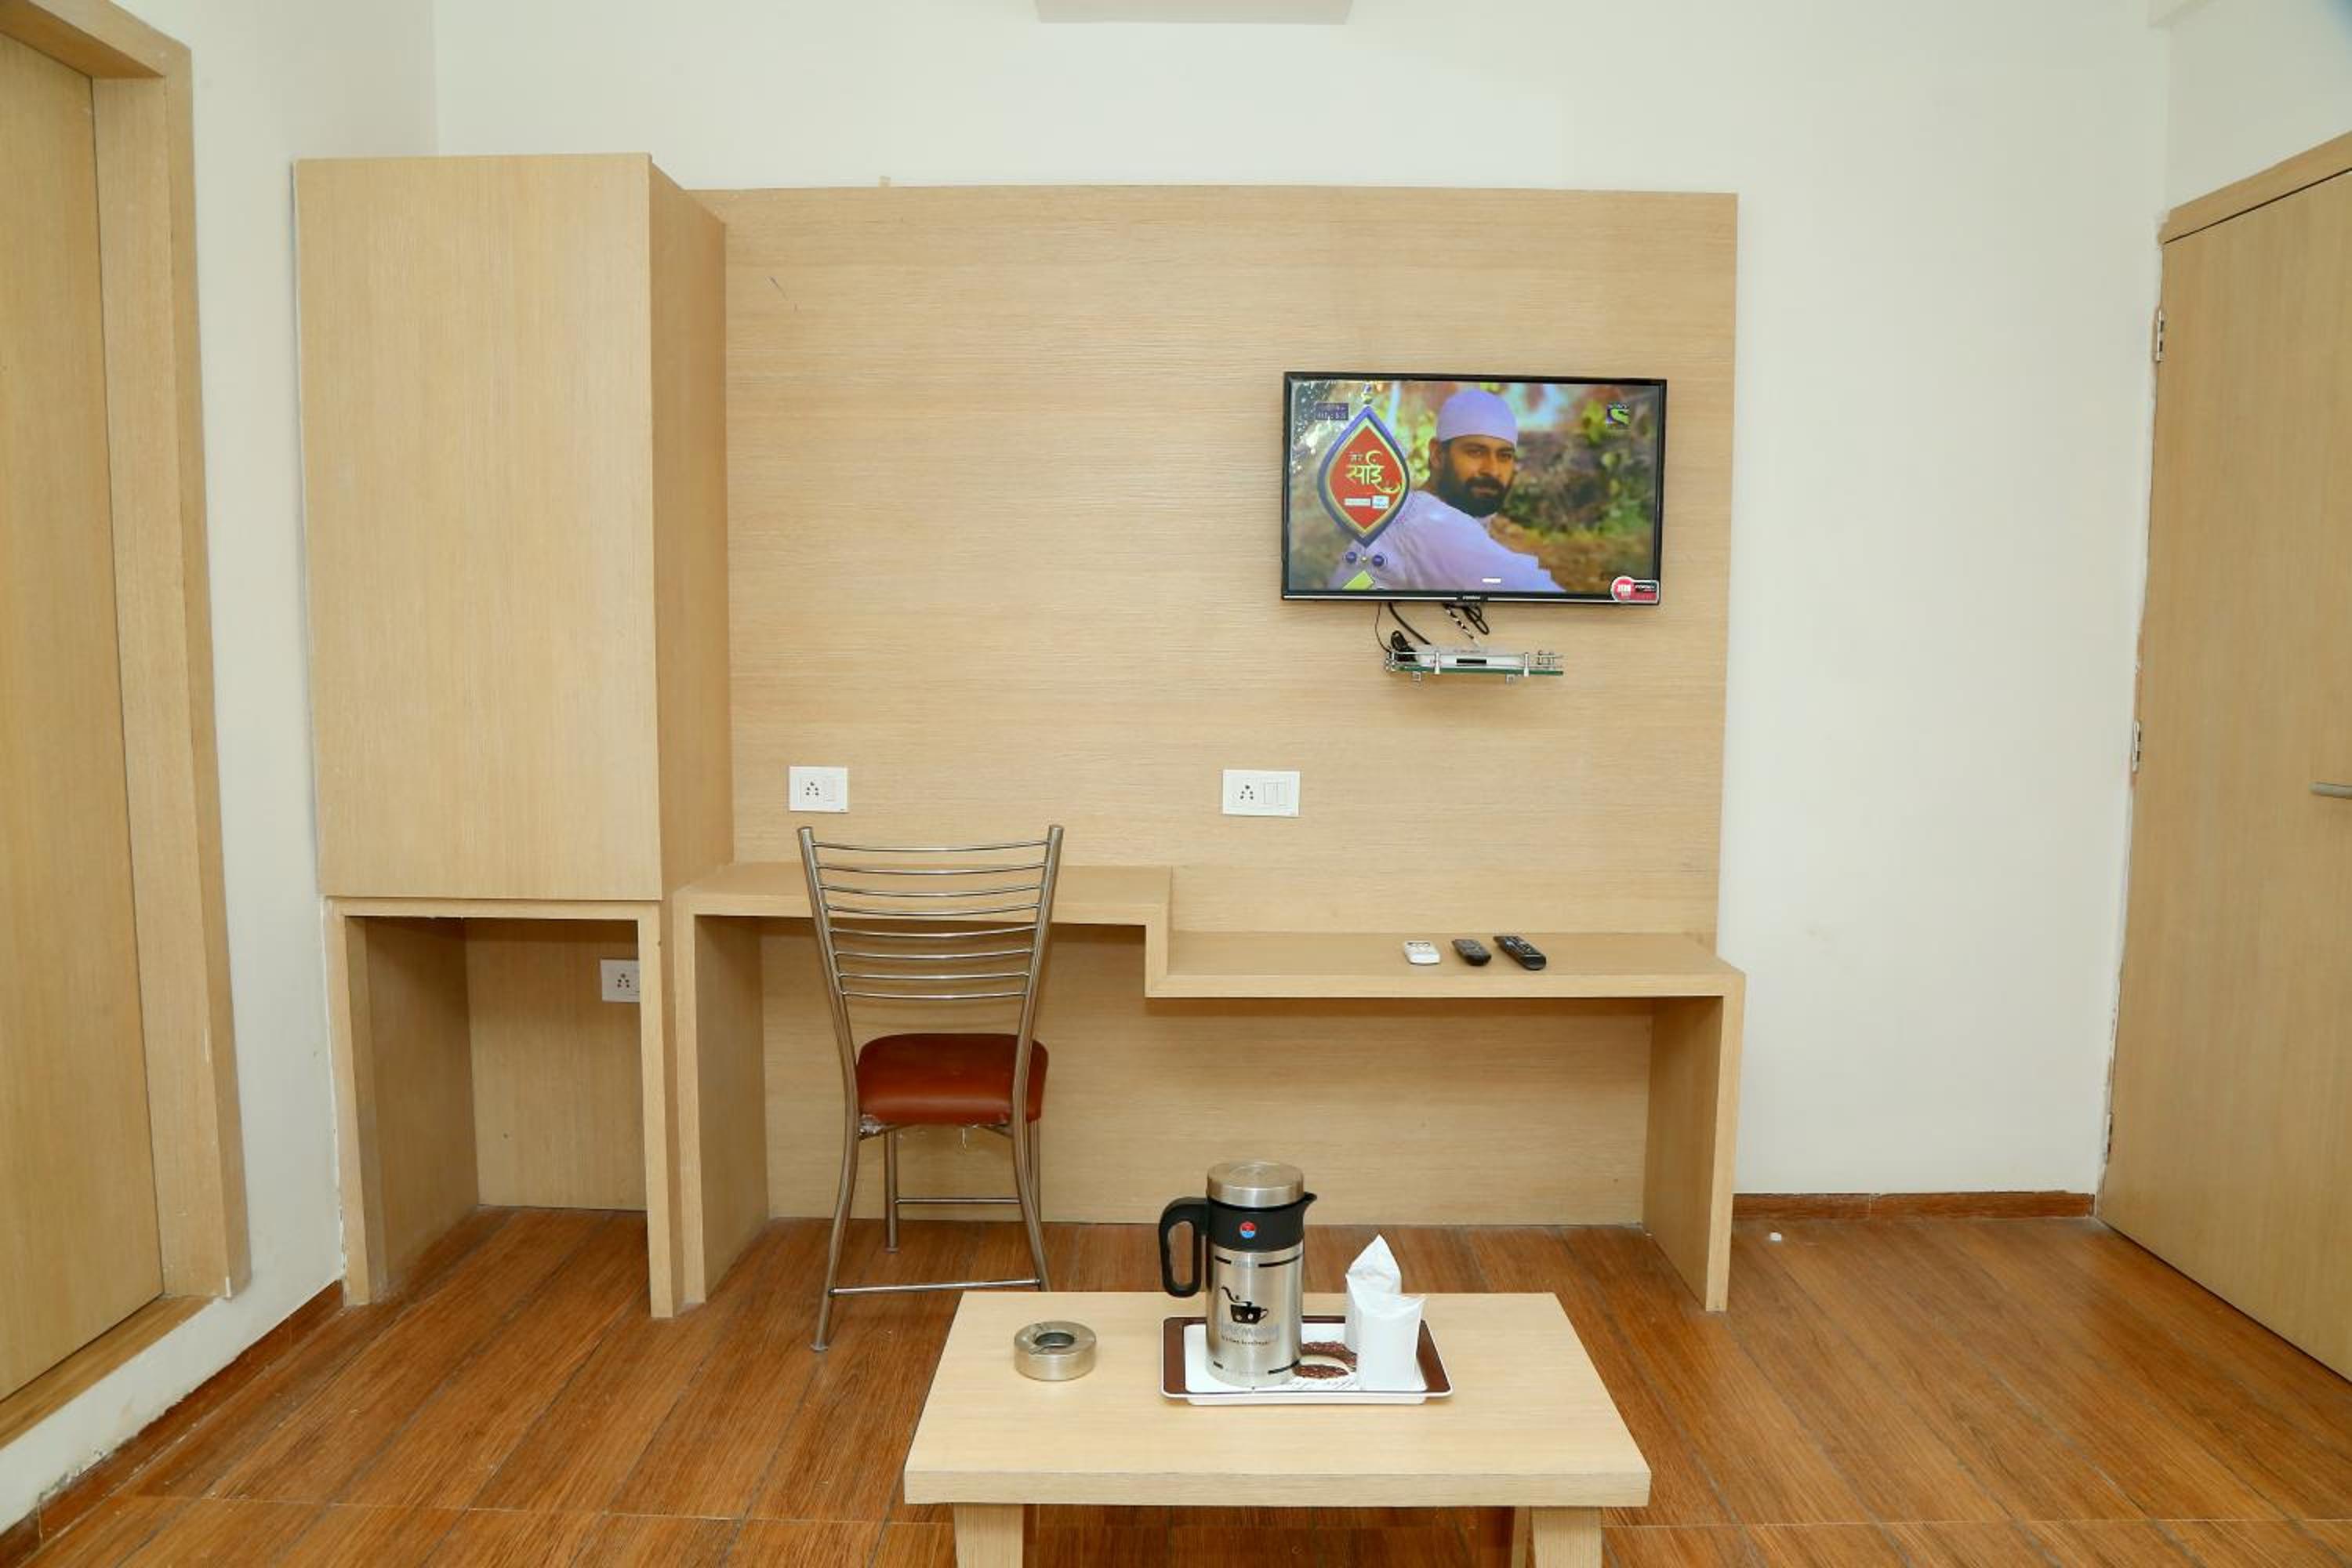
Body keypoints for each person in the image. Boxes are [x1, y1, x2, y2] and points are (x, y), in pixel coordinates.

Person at [1327, 388, 1561, 594]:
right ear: (1438, 455)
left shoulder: (1415, 512)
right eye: (1476, 452)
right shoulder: (1430, 524)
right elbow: (1534, 591)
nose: (1492, 470)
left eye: (1504, 456)